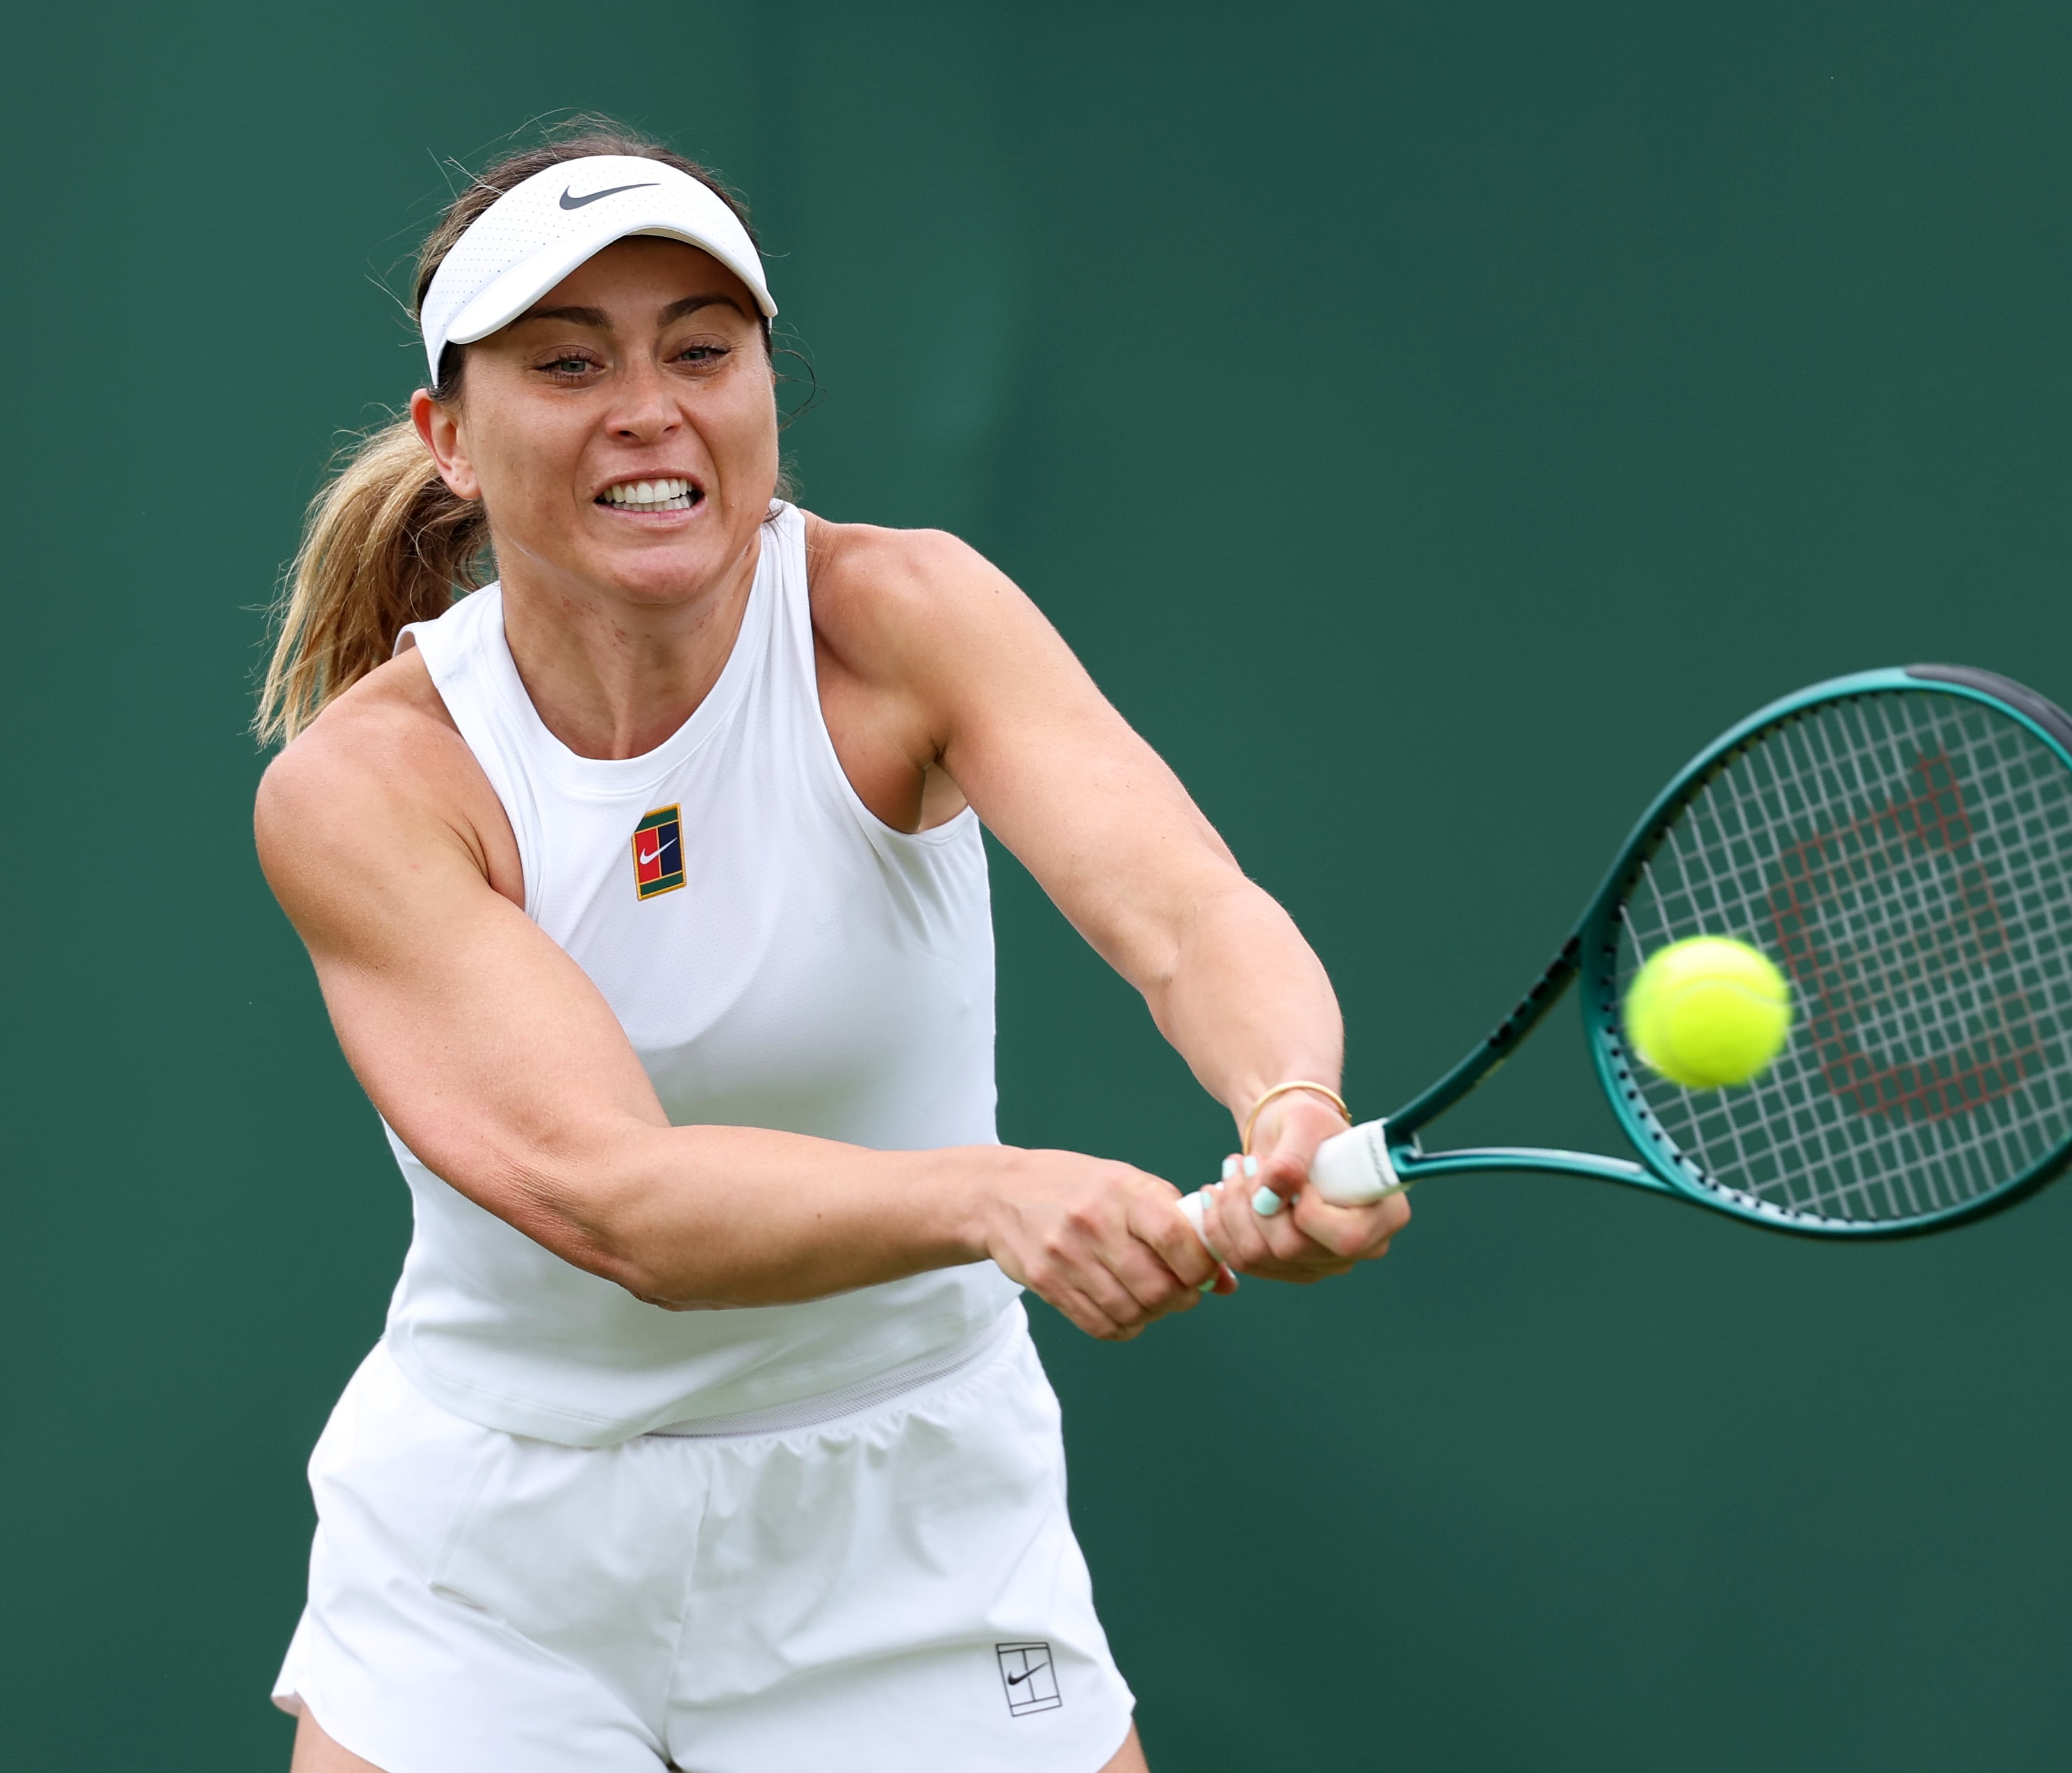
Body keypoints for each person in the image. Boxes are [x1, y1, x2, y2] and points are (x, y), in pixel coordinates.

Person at [254, 120, 1411, 1773]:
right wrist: (992, 1195)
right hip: (500, 1554)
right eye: (568, 362)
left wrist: (1287, 1097)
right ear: (449, 435)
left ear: (764, 394)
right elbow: (614, 1196)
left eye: (699, 350)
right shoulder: (370, 787)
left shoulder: (904, 619)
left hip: (913, 1508)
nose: (647, 408)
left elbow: (1187, 912)